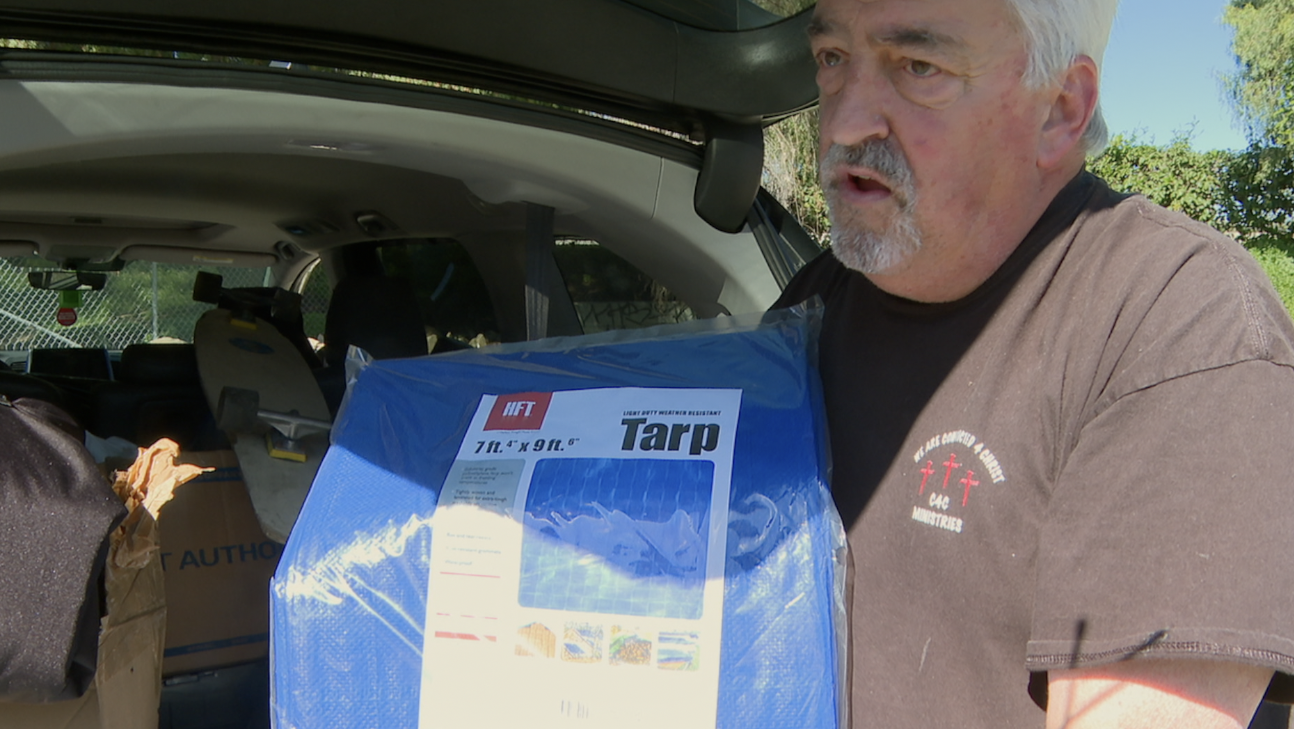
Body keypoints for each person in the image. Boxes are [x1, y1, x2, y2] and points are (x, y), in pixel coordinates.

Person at [774, 0, 1294, 726]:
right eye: (832, 59)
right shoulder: (809, 309)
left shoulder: (1176, 325)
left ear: (1061, 110)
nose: (844, 124)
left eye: (919, 67)